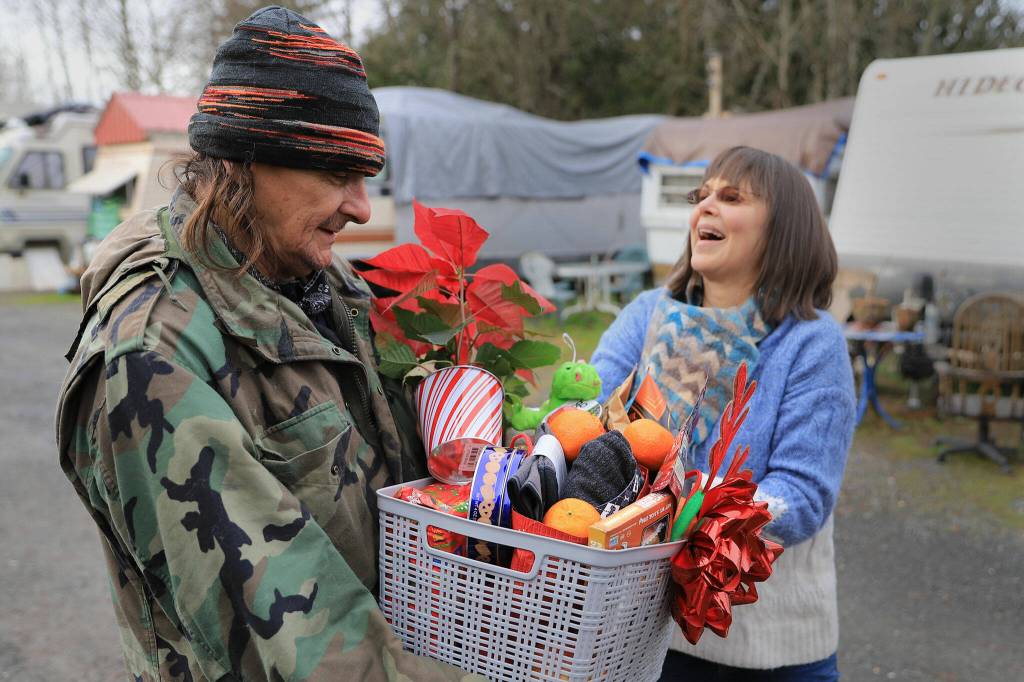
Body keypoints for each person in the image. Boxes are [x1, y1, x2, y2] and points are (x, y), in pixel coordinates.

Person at [55, 7, 483, 681]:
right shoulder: (152, 352)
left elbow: (408, 463)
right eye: (340, 172)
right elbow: (295, 643)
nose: (362, 206)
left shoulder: (322, 283)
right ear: (247, 160)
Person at [591, 146, 856, 681]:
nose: (705, 208)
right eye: (701, 195)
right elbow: (584, 429)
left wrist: (675, 504)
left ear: (783, 231)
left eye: (731, 197)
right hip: (638, 638)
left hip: (763, 652)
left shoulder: (810, 343)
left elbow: (801, 498)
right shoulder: (646, 315)